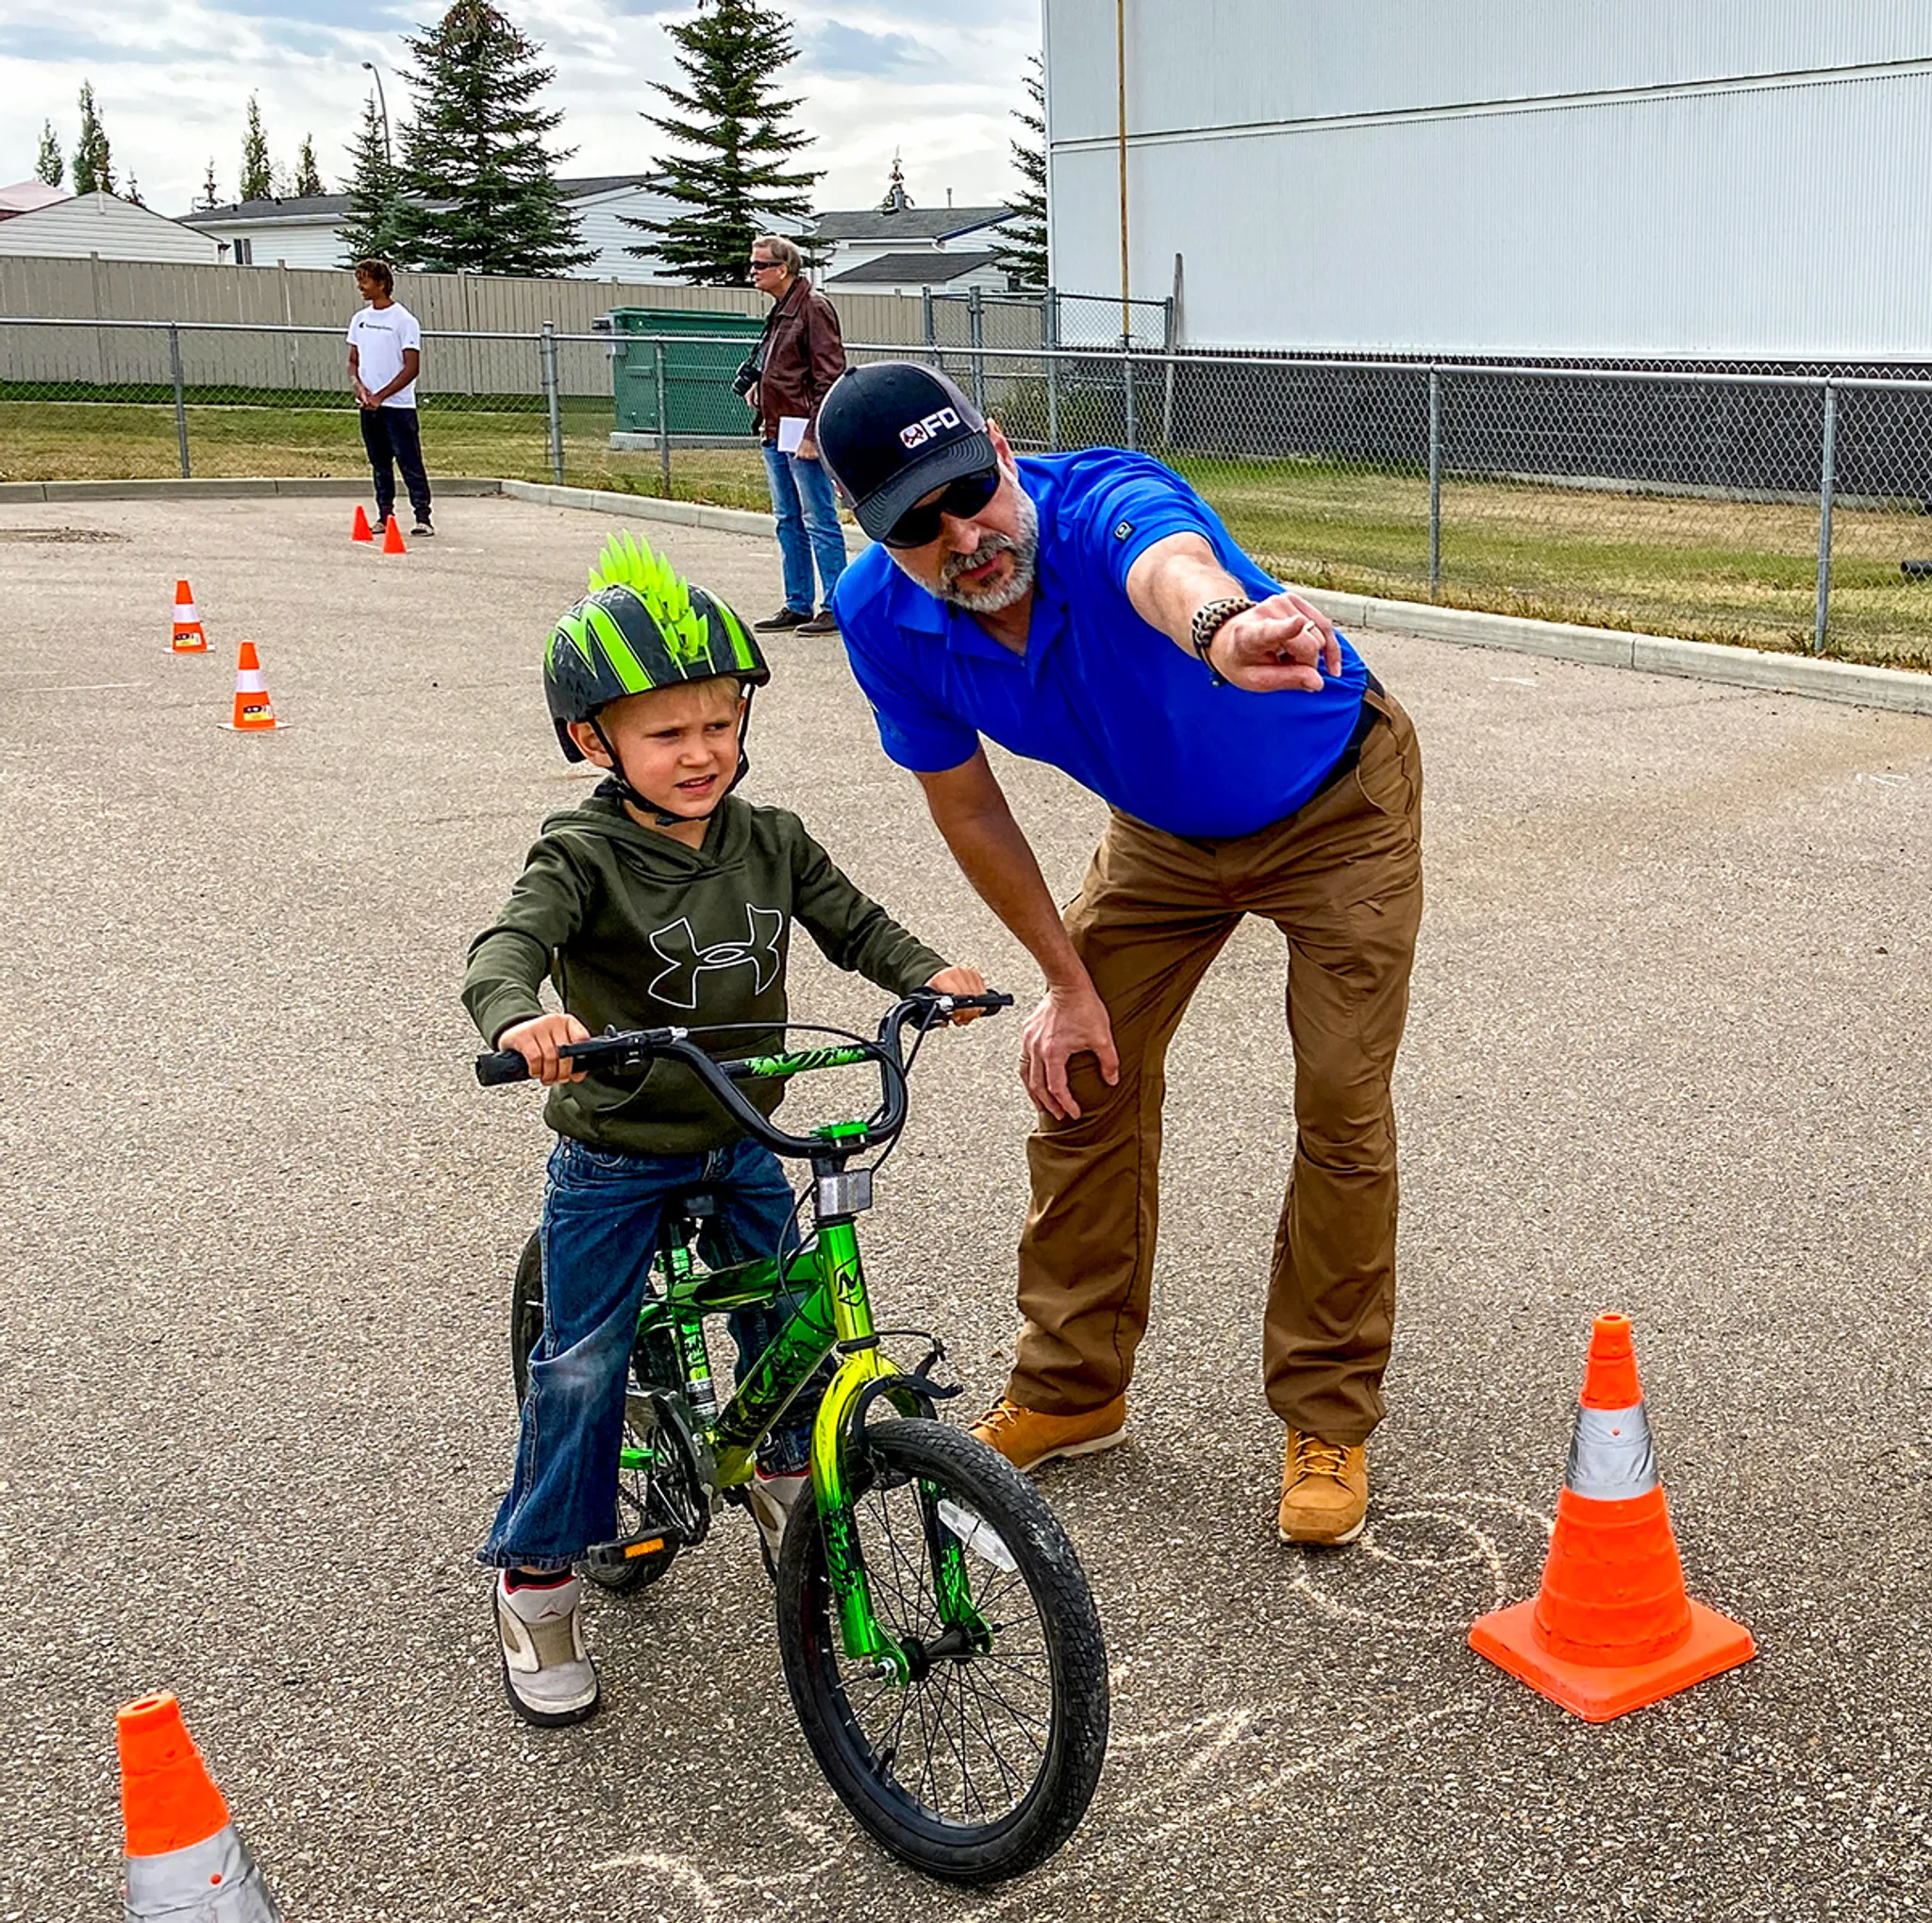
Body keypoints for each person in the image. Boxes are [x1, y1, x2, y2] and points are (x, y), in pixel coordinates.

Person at [818, 363, 1424, 1550]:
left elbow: (1172, 573)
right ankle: (1071, 1386)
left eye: (969, 491)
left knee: (1341, 1101)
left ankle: (1325, 1410)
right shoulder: (881, 621)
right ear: (870, 533)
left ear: (998, 444)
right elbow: (968, 809)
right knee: (1079, 1073)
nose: (964, 537)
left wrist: (1226, 625)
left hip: (1335, 804)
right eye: (916, 525)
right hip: (1161, 836)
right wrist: (1061, 980)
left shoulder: (1103, 503)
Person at [463, 530, 984, 1725]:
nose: (702, 753)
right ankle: (536, 1578)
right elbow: (508, 945)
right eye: (666, 731)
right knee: (584, 1363)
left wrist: (925, 975)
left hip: (746, 1126)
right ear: (592, 741)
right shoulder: (582, 851)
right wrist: (521, 1014)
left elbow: (855, 923)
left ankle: (785, 1478)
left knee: (790, 1315)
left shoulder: (770, 836)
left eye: (718, 723)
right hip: (617, 1148)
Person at [741, 234, 847, 636]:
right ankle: (797, 602)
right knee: (788, 519)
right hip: (774, 427)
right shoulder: (782, 310)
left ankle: (835, 603)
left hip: (799, 429)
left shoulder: (813, 308)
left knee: (818, 517)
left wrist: (812, 434)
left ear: (782, 269)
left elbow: (828, 374)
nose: (753, 272)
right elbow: (785, 368)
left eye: (759, 265)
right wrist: (760, 387)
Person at [346, 257, 433, 538]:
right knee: (379, 462)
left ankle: (423, 517)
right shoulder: (360, 320)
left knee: (409, 460)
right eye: (359, 280)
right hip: (369, 407)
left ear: (382, 283)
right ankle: (384, 514)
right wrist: (360, 388)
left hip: (398, 407)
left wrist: (382, 396)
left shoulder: (403, 320)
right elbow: (353, 362)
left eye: (365, 280)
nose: (361, 286)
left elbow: (411, 367)